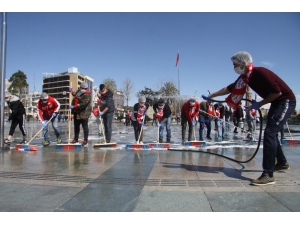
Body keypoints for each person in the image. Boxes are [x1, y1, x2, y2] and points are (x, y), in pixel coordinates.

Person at [202, 51, 296, 186]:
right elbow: (229, 88)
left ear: (244, 63)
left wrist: (259, 105)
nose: (234, 67)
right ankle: (282, 163)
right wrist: (212, 95)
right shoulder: (245, 77)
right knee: (272, 134)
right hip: (276, 102)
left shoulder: (260, 73)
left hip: (285, 101)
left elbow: (277, 92)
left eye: (235, 64)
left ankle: (268, 175)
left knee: (269, 133)